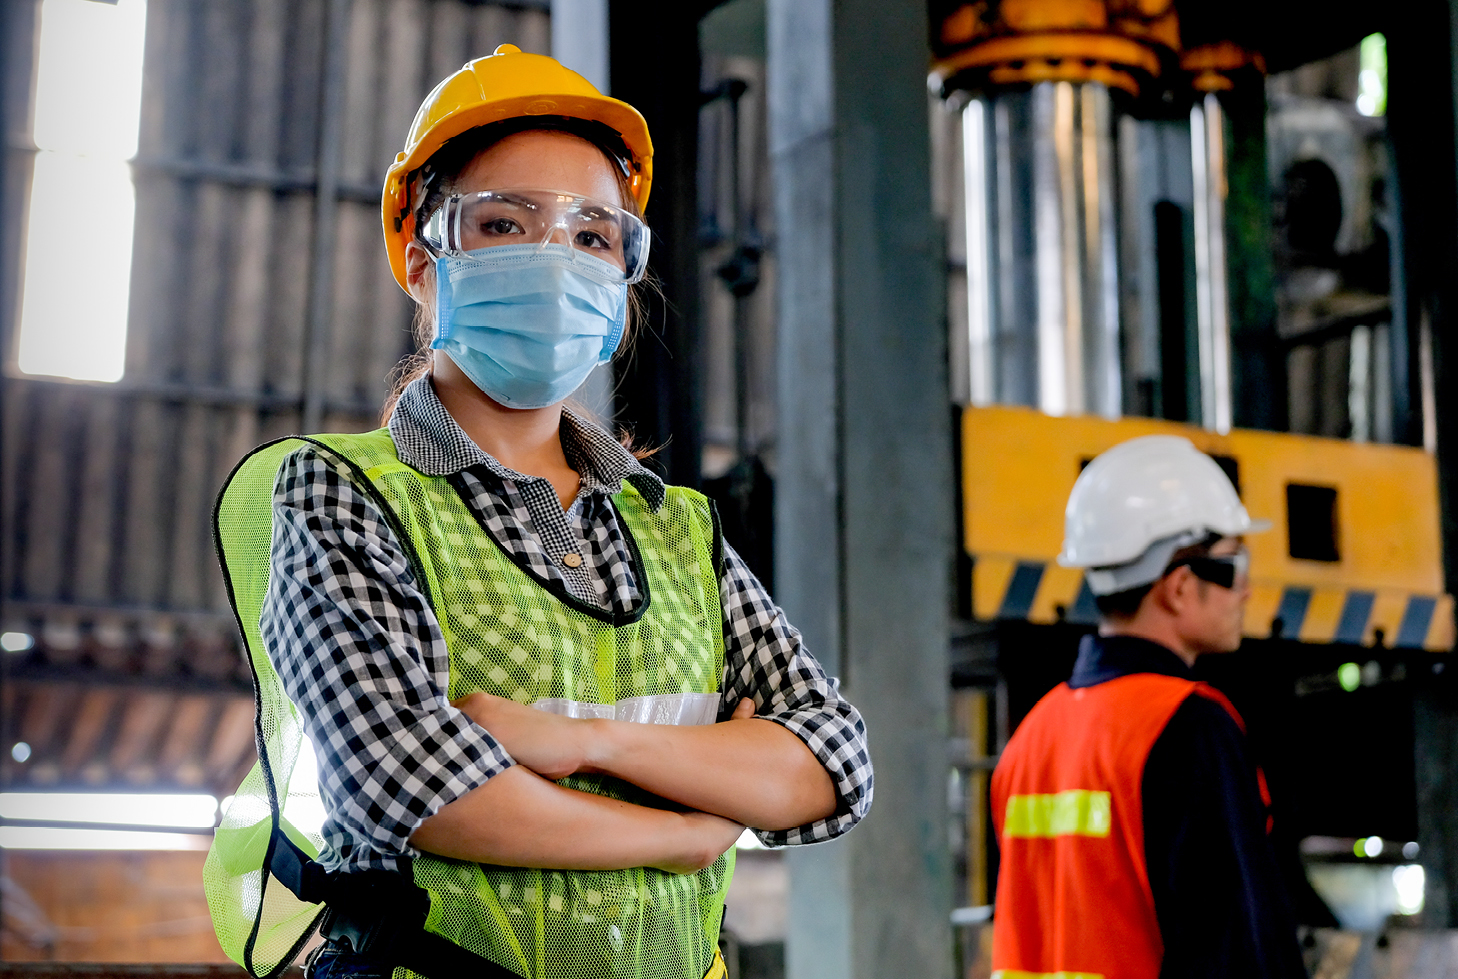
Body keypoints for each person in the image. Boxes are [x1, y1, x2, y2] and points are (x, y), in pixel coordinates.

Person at [204, 45, 871, 979]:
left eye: (594, 236)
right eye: (505, 223)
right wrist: (685, 829)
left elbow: (830, 764)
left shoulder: (675, 528)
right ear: (418, 256)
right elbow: (415, 785)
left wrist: (579, 742)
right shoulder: (342, 494)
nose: (555, 260)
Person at [989, 435, 1306, 978]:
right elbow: (1237, 951)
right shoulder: (1188, 726)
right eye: (1234, 564)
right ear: (1179, 586)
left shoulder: (1031, 738)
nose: (1247, 589)